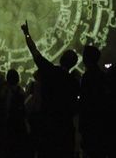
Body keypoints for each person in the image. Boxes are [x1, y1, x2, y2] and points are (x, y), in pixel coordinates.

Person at [21, 21, 79, 158]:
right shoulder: (74, 82)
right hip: (65, 129)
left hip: (48, 127)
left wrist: (27, 34)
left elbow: (34, 52)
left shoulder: (50, 71)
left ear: (62, 58)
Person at [78, 44, 107, 158]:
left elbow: (85, 102)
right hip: (100, 123)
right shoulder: (102, 76)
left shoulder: (87, 77)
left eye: (84, 55)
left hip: (90, 124)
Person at [3, 69, 30, 157]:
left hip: (9, 125)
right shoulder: (21, 91)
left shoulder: (5, 92)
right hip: (20, 125)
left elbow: (6, 108)